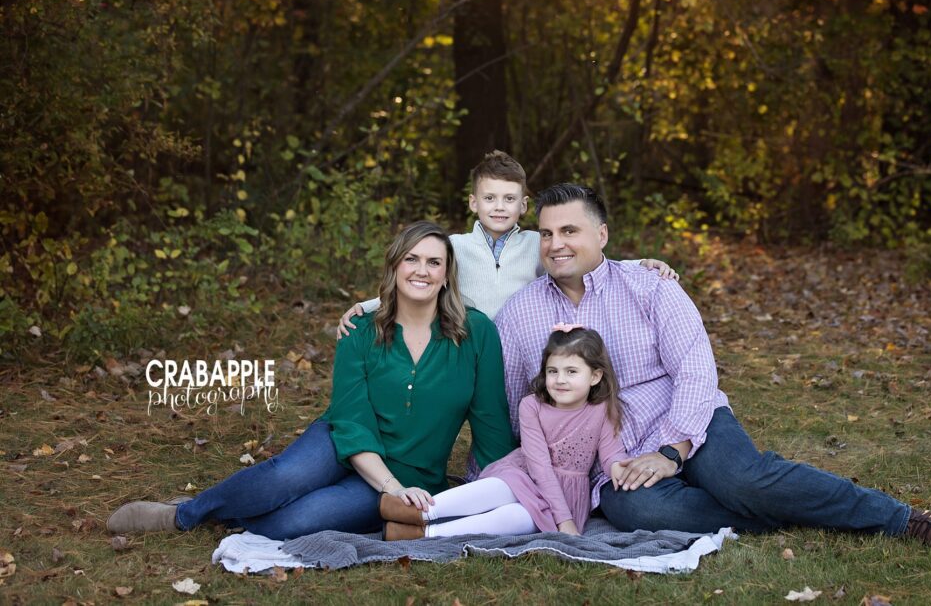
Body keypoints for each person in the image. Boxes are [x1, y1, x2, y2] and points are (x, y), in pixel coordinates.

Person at [495, 183, 931, 551]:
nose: (555, 244)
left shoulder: (650, 287)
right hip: (612, 456)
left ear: (601, 235)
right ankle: (791, 509)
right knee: (633, 508)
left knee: (743, 480)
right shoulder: (520, 314)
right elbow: (515, 403)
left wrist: (673, 450)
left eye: (569, 231)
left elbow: (696, 370)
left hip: (689, 423)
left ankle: (904, 520)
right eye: (547, 233)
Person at [106, 221, 515, 540]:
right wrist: (387, 485)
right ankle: (184, 514)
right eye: (411, 259)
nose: (422, 270)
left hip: (412, 472)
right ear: (395, 267)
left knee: (296, 520)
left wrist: (505, 490)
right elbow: (352, 419)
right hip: (341, 441)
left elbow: (490, 420)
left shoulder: (476, 333)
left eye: (434, 262)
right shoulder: (360, 330)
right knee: (283, 478)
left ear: (447, 275)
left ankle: (232, 512)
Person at [338, 150, 676, 332]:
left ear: (523, 205)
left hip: (526, 341)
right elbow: (420, 281)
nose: (499, 207)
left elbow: (585, 263)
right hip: (470, 343)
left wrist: (641, 264)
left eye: (509, 199)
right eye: (490, 198)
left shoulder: (537, 243)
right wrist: (368, 306)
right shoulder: (455, 246)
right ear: (473, 203)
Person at [378, 325, 629, 541]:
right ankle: (418, 511)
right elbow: (539, 466)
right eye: (553, 371)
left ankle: (423, 533)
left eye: (571, 372)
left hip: (565, 493)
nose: (560, 379)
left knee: (517, 518)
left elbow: (611, 452)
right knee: (497, 488)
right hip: (525, 473)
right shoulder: (532, 406)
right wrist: (564, 521)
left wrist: (617, 467)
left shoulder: (601, 410)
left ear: (595, 376)